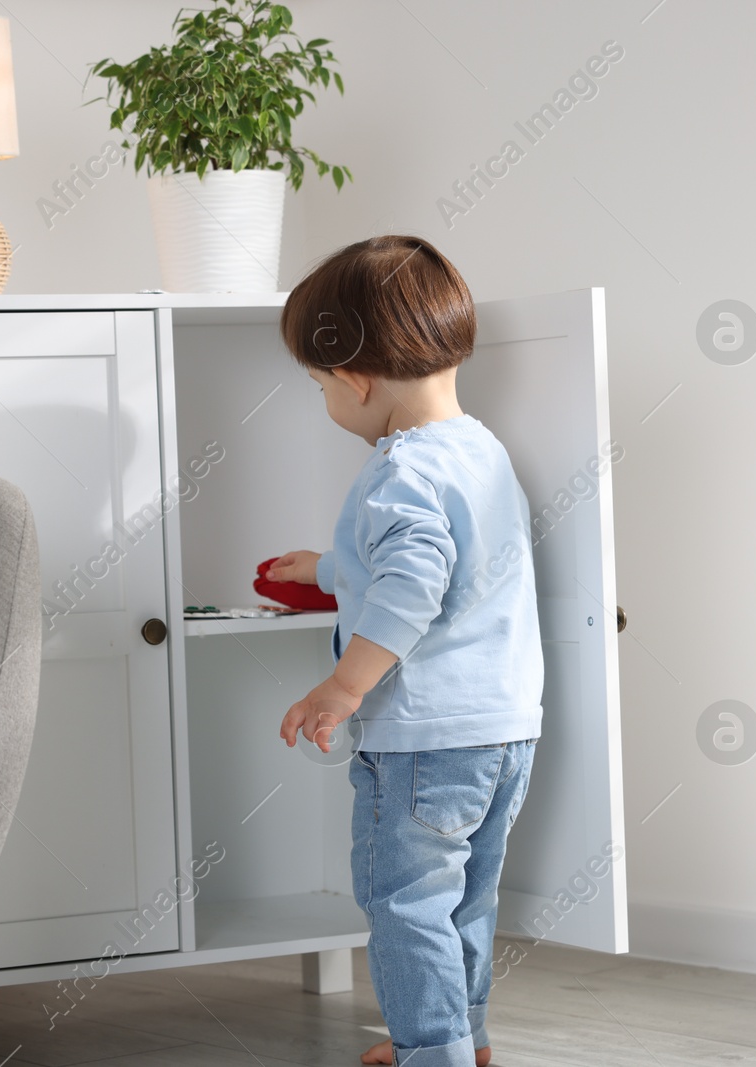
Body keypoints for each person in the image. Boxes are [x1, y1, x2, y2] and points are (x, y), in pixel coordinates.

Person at [270, 235, 544, 1067]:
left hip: (421, 737)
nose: (326, 401)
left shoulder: (399, 472)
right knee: (462, 895)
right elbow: (439, 562)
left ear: (354, 376)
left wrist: (346, 685)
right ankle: (463, 1032)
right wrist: (326, 567)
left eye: (319, 385)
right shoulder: (480, 451)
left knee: (403, 898)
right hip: (503, 730)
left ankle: (433, 1050)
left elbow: (413, 585)